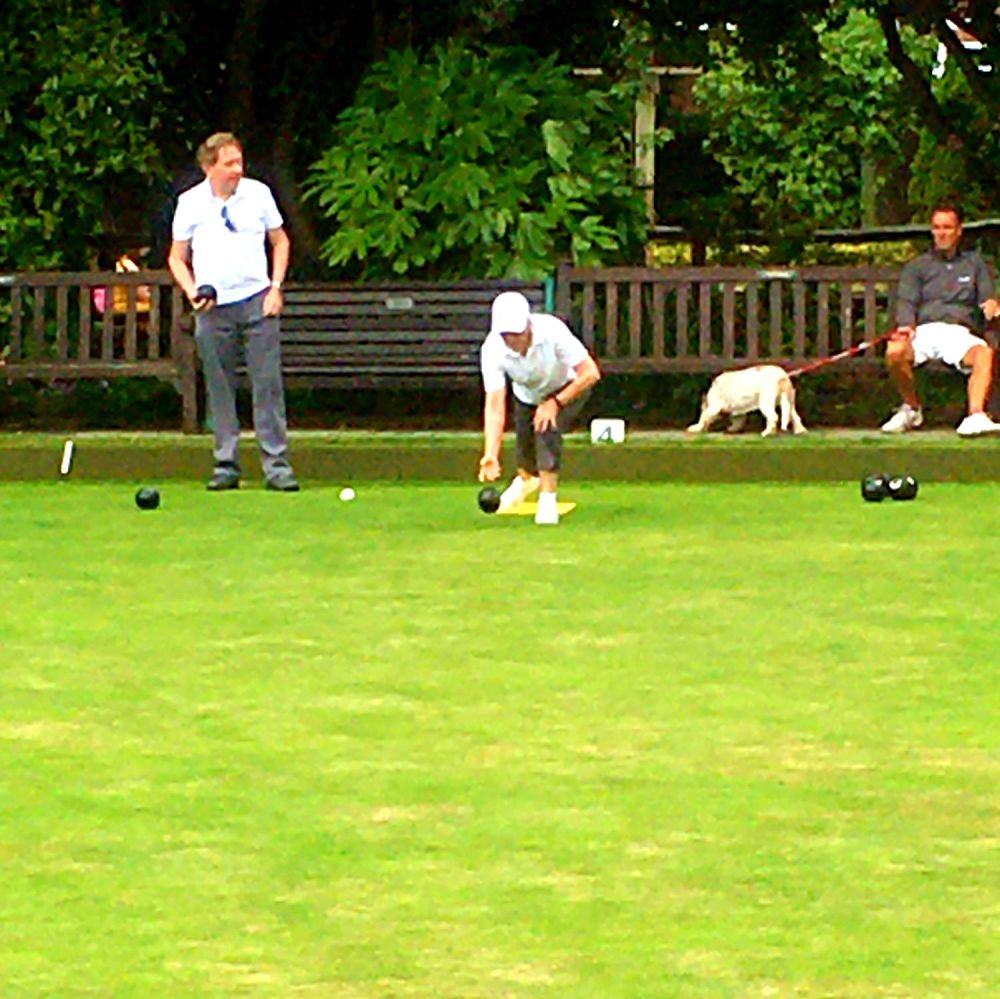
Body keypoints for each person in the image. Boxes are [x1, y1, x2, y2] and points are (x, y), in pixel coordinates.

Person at [167, 131, 299, 491]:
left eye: (239, 161)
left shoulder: (258, 194)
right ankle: (226, 464)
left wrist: (276, 288)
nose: (237, 170)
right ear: (210, 167)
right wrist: (193, 293)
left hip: (257, 300)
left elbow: (280, 240)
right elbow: (177, 258)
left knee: (267, 385)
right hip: (213, 308)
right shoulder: (190, 203)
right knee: (220, 386)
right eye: (229, 164)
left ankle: (277, 466)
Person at [478, 291, 601, 525]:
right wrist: (490, 454)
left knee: (546, 427)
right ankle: (526, 480)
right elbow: (494, 406)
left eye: (516, 334)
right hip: (528, 394)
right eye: (506, 335)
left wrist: (555, 402)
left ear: (528, 325)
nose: (512, 340)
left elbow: (590, 373)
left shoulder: (552, 331)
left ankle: (548, 501)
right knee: (525, 452)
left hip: (570, 386)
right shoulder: (492, 350)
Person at [881, 203, 1000, 436]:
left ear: (959, 231)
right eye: (937, 228)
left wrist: (991, 306)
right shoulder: (917, 266)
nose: (942, 233)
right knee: (894, 352)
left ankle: (976, 415)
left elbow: (988, 298)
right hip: (924, 331)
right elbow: (906, 301)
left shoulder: (974, 264)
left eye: (947, 227)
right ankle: (911, 408)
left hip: (959, 332)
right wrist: (906, 326)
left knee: (984, 354)